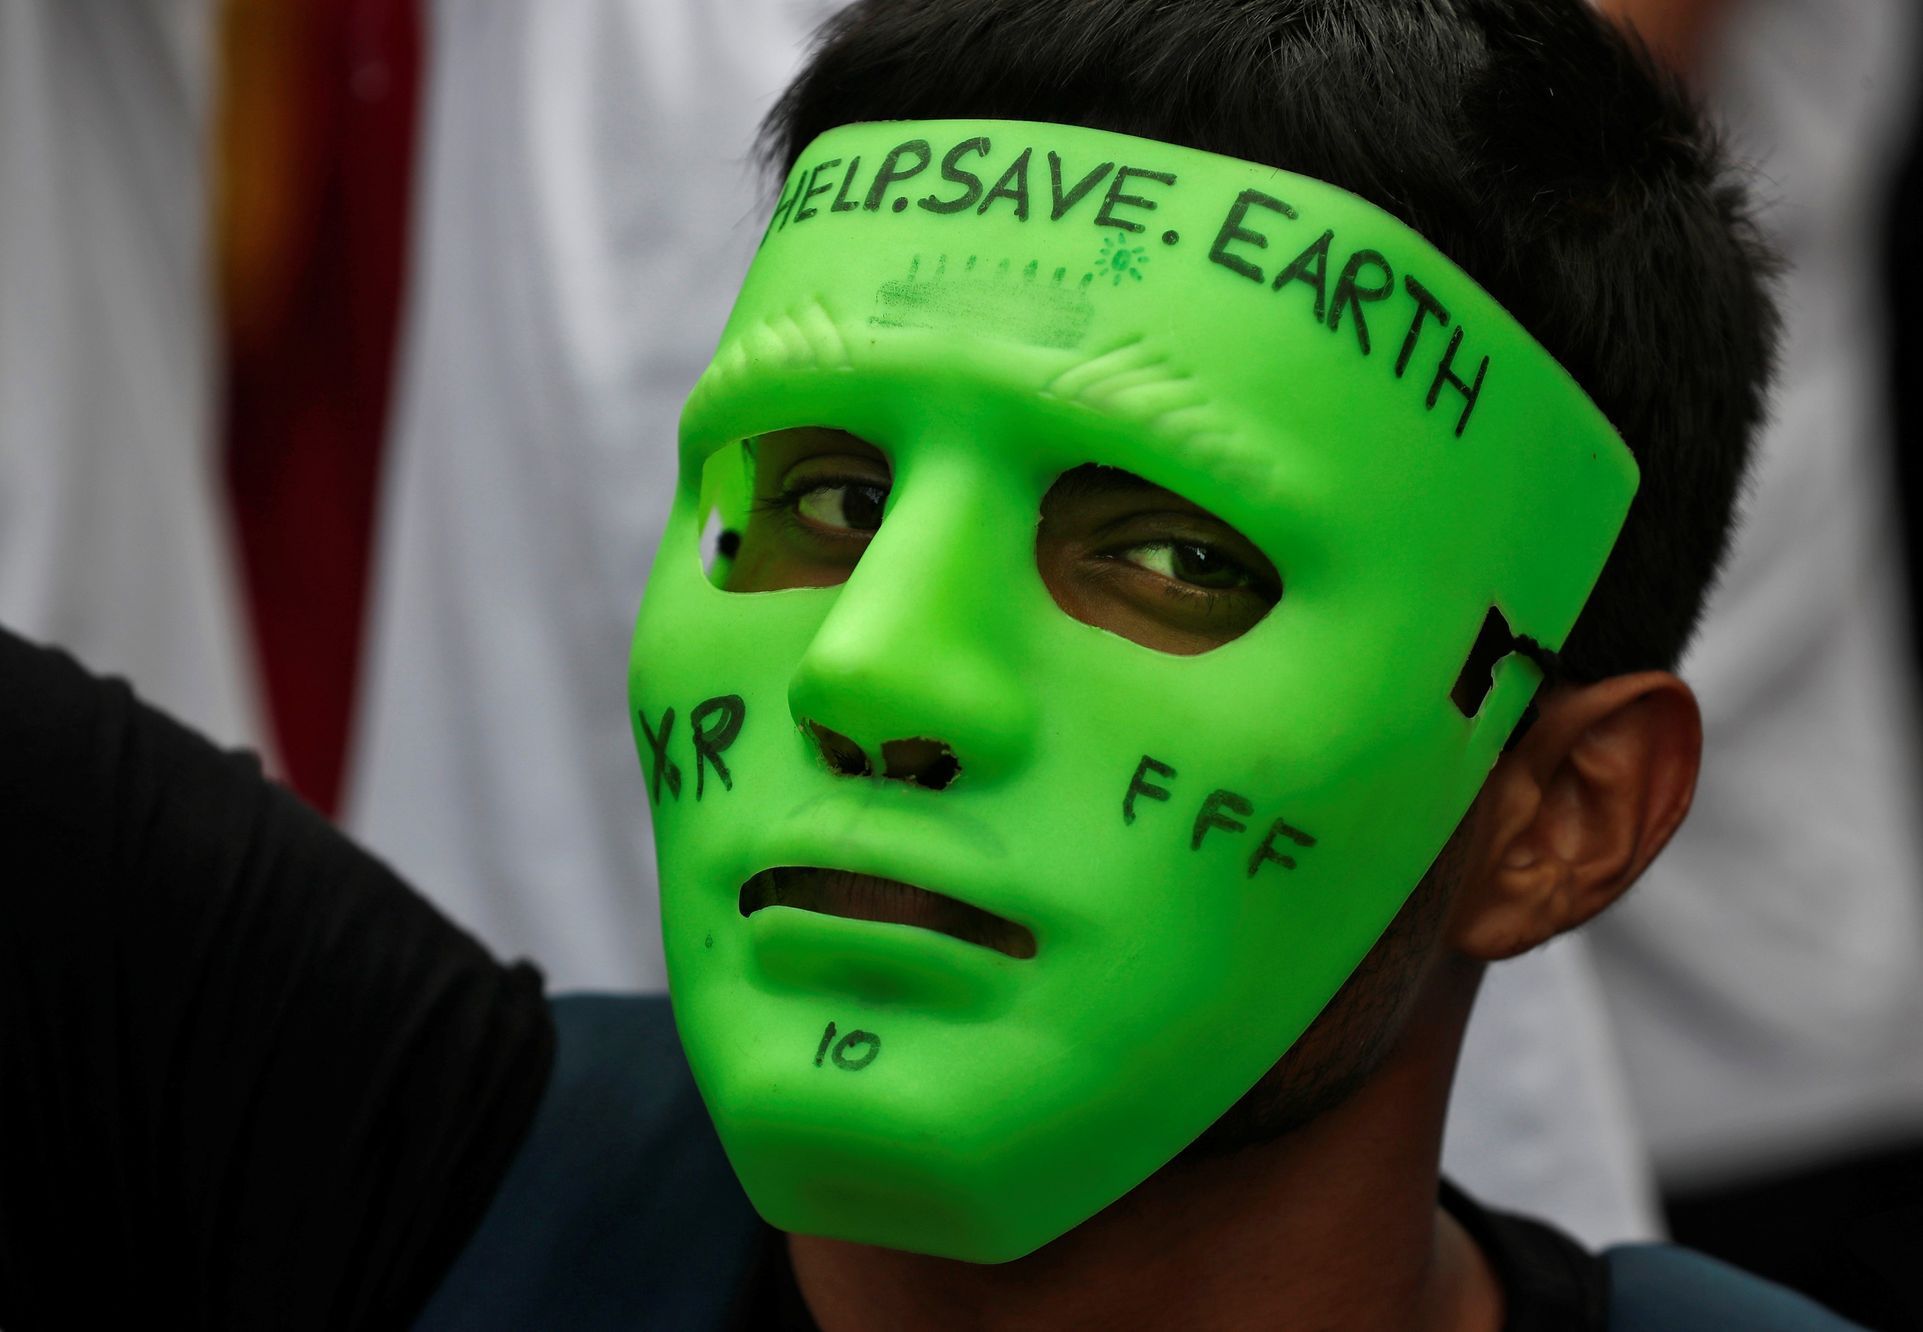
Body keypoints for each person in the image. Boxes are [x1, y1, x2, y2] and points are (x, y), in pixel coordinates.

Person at [0, 1, 1861, 1328]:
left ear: (1562, 814)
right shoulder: (373, 1174)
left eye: (1171, 557)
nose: (875, 674)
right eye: (816, 501)